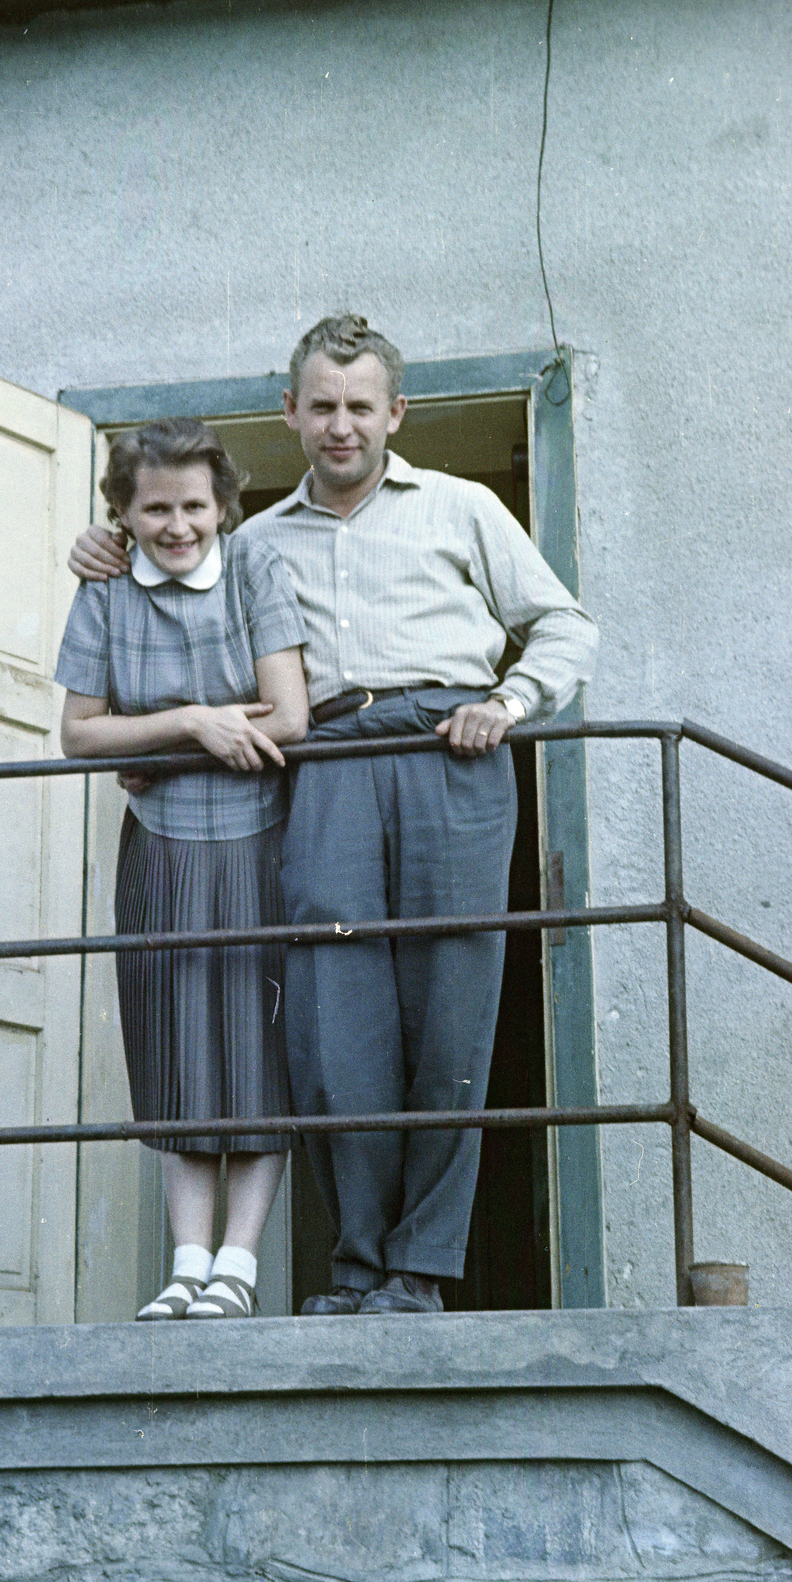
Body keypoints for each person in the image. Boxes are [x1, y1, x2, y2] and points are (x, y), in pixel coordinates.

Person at [69, 316, 598, 1318]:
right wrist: (99, 546)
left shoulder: (461, 505)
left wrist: (511, 702)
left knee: (449, 1014)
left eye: (360, 405)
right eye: (321, 405)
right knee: (331, 1021)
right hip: (323, 769)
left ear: (394, 412)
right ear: (290, 414)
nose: (341, 425)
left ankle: (421, 1271)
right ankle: (355, 1266)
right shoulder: (252, 543)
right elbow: (171, 609)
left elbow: (562, 624)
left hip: (452, 749)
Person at [56, 418, 308, 1321]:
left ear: (221, 505)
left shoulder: (252, 569)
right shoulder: (104, 590)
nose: (177, 526)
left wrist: (162, 731)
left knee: (256, 1043)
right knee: (172, 1045)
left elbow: (288, 717)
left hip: (259, 835)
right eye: (154, 508)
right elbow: (80, 732)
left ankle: (236, 1267)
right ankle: (185, 1262)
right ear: (121, 514)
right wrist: (193, 721)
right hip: (158, 842)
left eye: (194, 505)